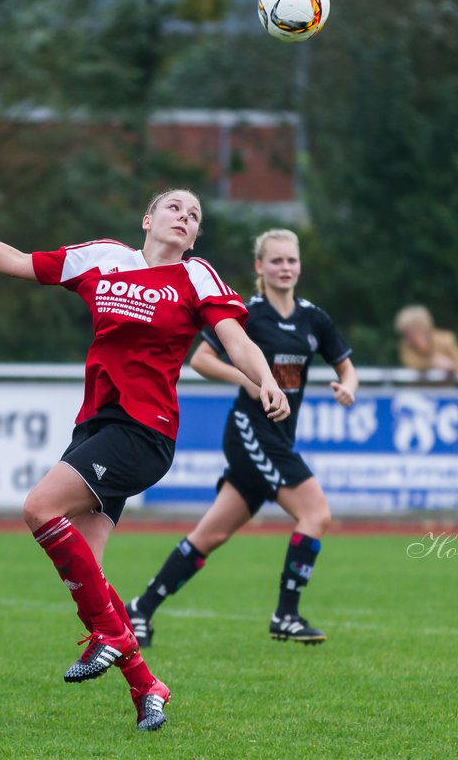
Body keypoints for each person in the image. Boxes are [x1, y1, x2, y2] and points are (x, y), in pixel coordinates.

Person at [0, 190, 290, 732]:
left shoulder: (196, 276)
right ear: (148, 219)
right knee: (89, 573)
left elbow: (236, 338)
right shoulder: (104, 258)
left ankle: (110, 638)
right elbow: (17, 262)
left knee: (39, 508)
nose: (185, 218)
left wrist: (266, 379)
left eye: (195, 216)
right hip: (96, 427)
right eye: (176, 208)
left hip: (143, 431)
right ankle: (146, 686)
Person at [125, 228, 357, 648]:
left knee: (209, 536)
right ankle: (286, 615)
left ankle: (141, 607)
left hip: (280, 438)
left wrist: (349, 386)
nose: (285, 268)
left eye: (291, 260)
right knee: (316, 514)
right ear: (259, 267)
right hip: (251, 432)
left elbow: (345, 365)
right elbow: (201, 359)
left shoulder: (313, 318)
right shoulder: (247, 313)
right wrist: (247, 380)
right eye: (276, 261)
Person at [395, 304, 458, 380]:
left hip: (445, 389)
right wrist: (432, 362)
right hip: (417, 389)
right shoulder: (406, 344)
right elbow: (411, 363)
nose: (407, 337)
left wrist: (451, 367)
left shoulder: (445, 340)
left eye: (409, 332)